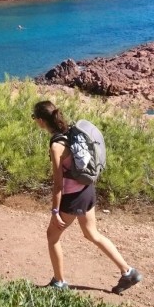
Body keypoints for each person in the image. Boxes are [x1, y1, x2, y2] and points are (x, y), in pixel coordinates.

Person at [31, 100, 142, 294]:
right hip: (87, 189)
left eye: (34, 118)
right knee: (92, 233)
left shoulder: (57, 146)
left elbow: (58, 185)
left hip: (73, 197)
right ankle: (129, 272)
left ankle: (59, 282)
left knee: (52, 237)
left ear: (41, 120)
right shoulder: (70, 131)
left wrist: (55, 211)